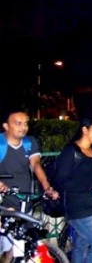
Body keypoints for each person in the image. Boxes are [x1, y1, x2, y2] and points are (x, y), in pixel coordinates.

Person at [0, 108, 60, 263]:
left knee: (19, 247)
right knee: (7, 247)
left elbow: (36, 165)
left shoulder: (29, 143)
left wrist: (47, 187)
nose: (23, 127)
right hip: (3, 202)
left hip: (24, 200)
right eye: (18, 123)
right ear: (6, 126)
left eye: (25, 123)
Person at [54, 117, 92, 263]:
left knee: (81, 244)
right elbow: (61, 180)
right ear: (85, 129)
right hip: (78, 207)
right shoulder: (71, 151)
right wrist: (88, 188)